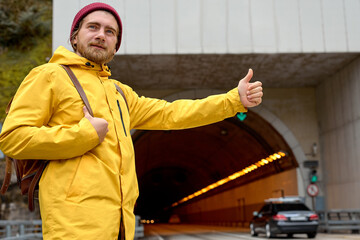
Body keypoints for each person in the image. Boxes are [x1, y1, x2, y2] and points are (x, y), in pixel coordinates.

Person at [0, 2, 263, 239]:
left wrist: (233, 100)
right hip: (74, 227)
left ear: (115, 46)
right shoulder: (49, 76)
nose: (101, 35)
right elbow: (13, 137)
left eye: (110, 32)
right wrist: (84, 135)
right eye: (93, 27)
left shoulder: (120, 93)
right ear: (75, 36)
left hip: (120, 226)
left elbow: (171, 114)